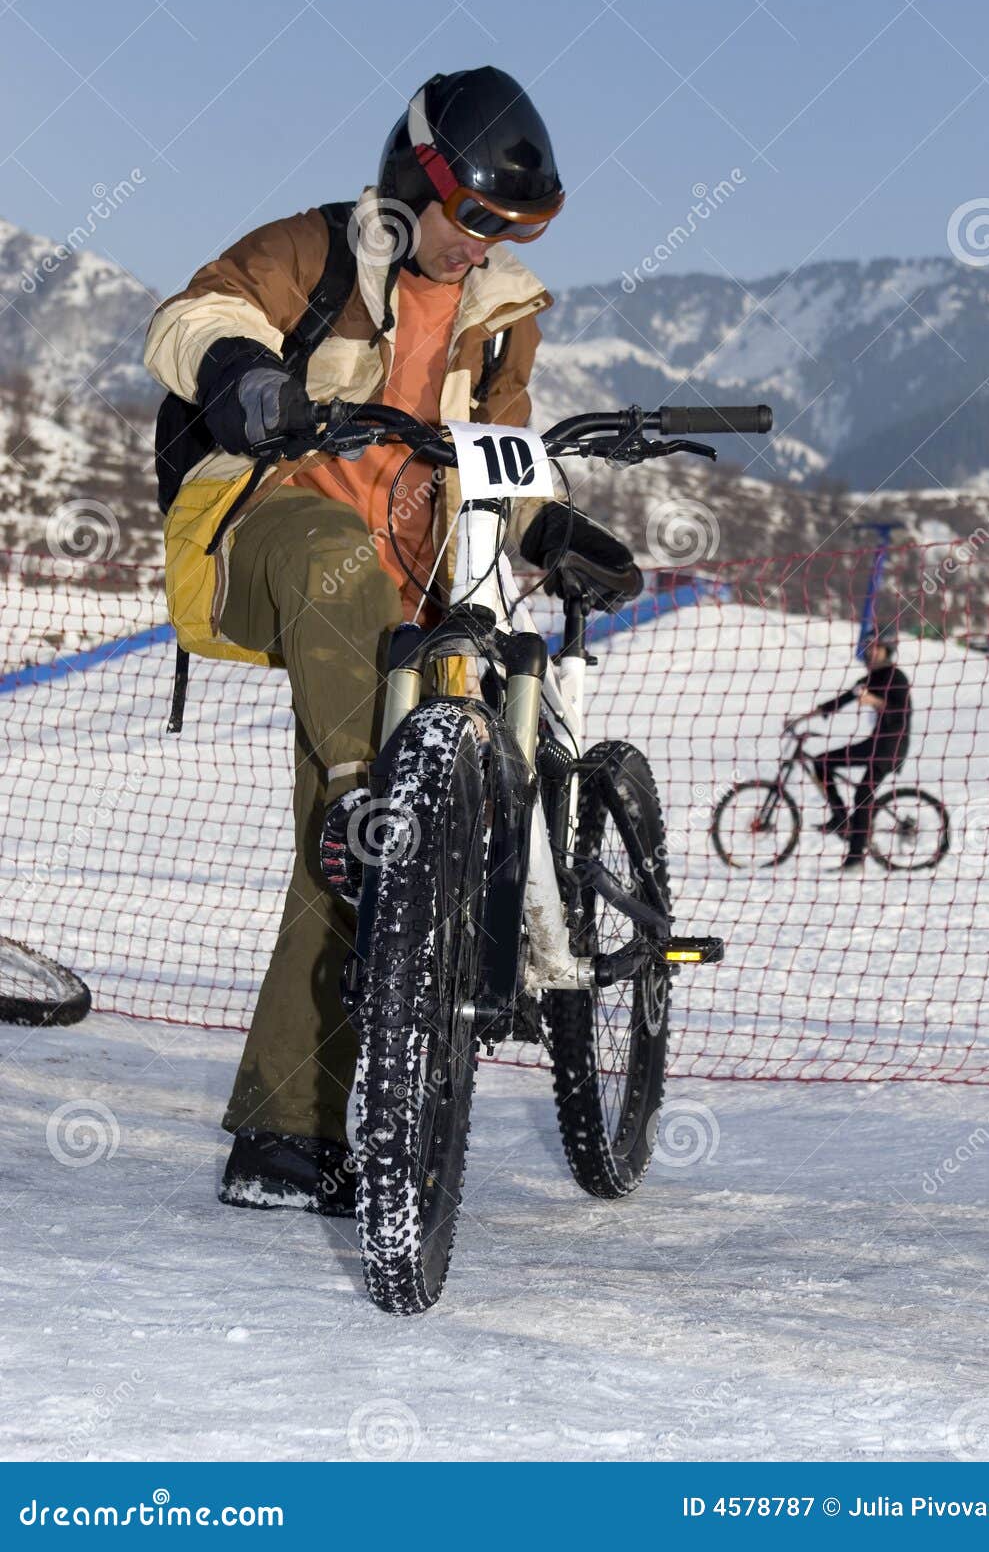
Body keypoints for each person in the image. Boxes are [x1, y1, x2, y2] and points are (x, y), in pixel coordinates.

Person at [144, 67, 635, 1215]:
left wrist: (547, 522)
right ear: (416, 187)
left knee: (351, 821)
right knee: (341, 601)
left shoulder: (500, 311)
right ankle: (387, 816)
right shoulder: (317, 249)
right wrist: (240, 376)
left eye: (520, 228)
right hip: (264, 531)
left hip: (414, 587)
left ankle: (285, 1136)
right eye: (476, 218)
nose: (486, 245)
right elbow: (191, 316)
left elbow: (494, 458)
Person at [787, 630, 911, 873]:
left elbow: (900, 711)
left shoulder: (896, 677)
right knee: (822, 762)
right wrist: (799, 719)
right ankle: (840, 817)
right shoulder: (869, 679)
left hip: (890, 746)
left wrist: (874, 701)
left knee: (863, 796)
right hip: (875, 743)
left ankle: (855, 859)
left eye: (876, 648)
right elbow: (839, 701)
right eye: (868, 648)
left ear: (886, 650)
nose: (870, 652)